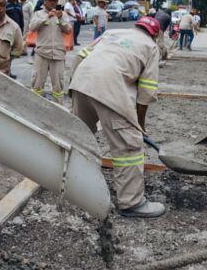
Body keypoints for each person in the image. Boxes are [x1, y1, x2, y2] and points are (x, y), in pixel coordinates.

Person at [69, 16, 165, 218]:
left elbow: (79, 56)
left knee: (80, 137)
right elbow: (146, 92)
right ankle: (132, 202)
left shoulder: (112, 33)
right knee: (129, 146)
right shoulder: (150, 47)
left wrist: (75, 86)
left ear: (137, 26)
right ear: (155, 35)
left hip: (80, 82)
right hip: (108, 89)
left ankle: (72, 185)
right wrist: (139, 125)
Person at [28, 0, 71, 103]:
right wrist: (47, 17)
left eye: (55, 0)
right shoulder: (38, 14)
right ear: (45, 1)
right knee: (37, 83)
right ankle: (36, 106)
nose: (53, 2)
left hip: (58, 54)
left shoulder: (63, 15)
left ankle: (58, 107)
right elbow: (32, 27)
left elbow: (68, 30)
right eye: (50, 0)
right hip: (41, 53)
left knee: (58, 85)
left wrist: (60, 18)